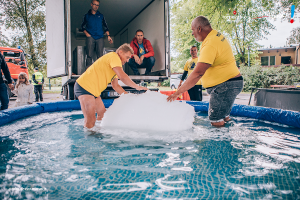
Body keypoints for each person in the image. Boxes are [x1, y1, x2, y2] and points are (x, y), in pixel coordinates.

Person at [167, 16, 243, 127]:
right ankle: (229, 136)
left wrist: (178, 92)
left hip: (224, 86)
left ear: (199, 28)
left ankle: (221, 144)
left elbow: (198, 73)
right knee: (224, 117)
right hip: (230, 84)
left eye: (192, 30)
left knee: (215, 119)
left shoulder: (210, 43)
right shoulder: (215, 35)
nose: (192, 33)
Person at [75, 43, 148, 129]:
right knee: (90, 120)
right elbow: (123, 76)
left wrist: (128, 96)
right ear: (120, 52)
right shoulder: (114, 57)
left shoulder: (114, 66)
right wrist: (137, 86)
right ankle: (88, 141)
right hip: (85, 87)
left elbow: (115, 86)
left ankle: (97, 135)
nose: (128, 60)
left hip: (93, 91)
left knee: (102, 115)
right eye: (127, 57)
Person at [81, 0, 113, 68]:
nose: (96, 6)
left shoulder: (101, 16)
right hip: (90, 36)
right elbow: (82, 26)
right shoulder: (87, 16)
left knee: (100, 55)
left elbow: (105, 26)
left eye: (97, 5)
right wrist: (87, 34)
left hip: (100, 37)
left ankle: (100, 71)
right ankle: (88, 72)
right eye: (95, 4)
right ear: (91, 4)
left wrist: (108, 36)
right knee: (89, 55)